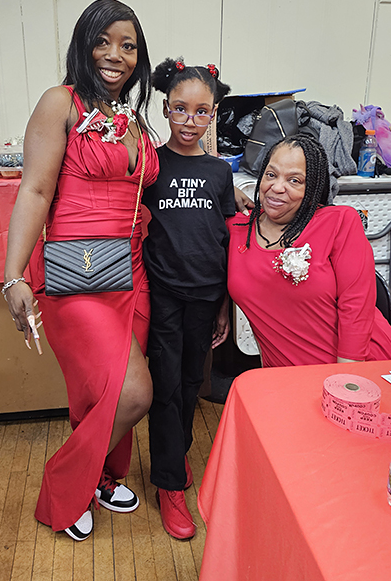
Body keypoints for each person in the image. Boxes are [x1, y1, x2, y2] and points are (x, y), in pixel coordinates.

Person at [3, 0, 159, 541]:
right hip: (78, 271)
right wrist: (14, 275)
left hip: (132, 271)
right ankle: (64, 484)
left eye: (128, 46)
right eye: (103, 41)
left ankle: (105, 477)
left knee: (102, 390)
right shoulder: (61, 103)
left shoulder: (131, 117)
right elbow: (35, 190)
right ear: (82, 45)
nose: (115, 55)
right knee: (135, 393)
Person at [141, 57, 235, 539]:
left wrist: (224, 304)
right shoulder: (152, 166)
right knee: (165, 386)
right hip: (163, 295)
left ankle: (175, 455)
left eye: (201, 112)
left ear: (213, 114)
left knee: (191, 383)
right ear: (165, 109)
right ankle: (169, 483)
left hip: (206, 297)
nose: (190, 121)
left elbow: (227, 239)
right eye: (180, 109)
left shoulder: (219, 173)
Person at [227, 133, 391, 368]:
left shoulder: (339, 222)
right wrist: (223, 186)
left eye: (294, 180)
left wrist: (346, 378)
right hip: (286, 376)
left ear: (312, 187)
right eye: (271, 175)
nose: (277, 187)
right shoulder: (237, 228)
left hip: (360, 366)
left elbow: (356, 306)